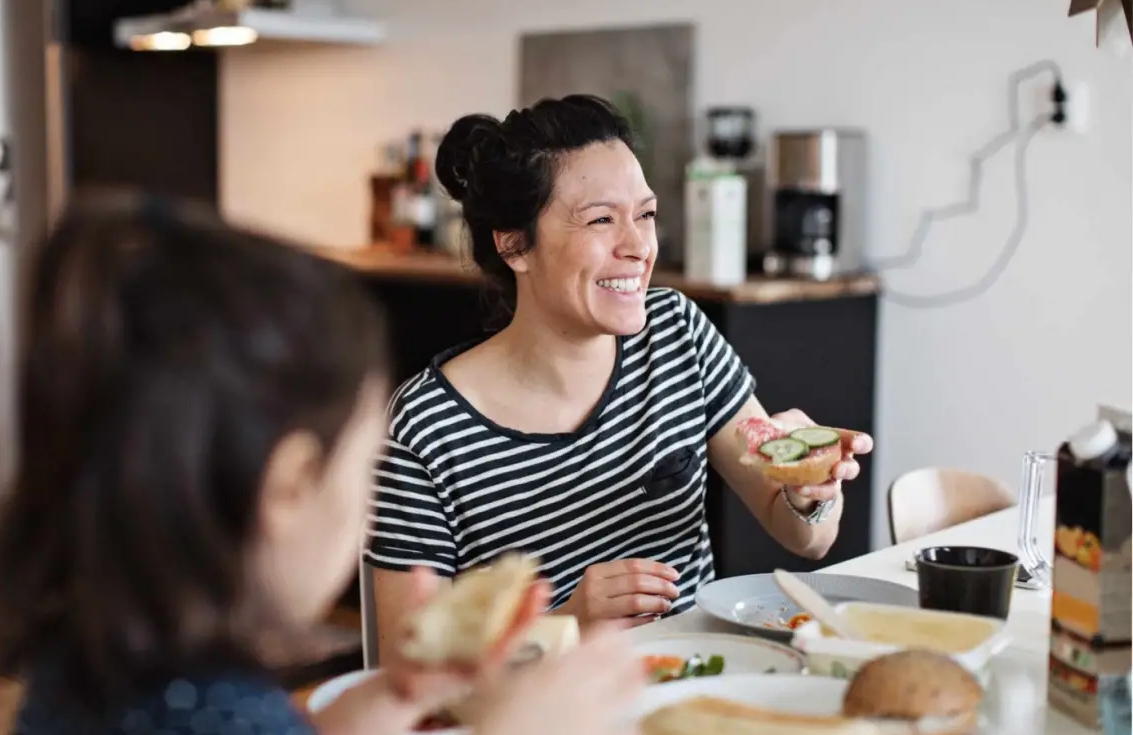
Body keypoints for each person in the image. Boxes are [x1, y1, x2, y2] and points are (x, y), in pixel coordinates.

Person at [0, 193, 644, 735]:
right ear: (291, 484)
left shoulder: (103, 671)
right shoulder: (217, 723)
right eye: (363, 471)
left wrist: (399, 695)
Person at [366, 95, 874, 664]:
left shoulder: (677, 334)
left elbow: (807, 539)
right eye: (602, 219)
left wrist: (811, 491)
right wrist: (569, 623)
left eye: (646, 214)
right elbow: (403, 668)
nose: (638, 247)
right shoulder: (424, 432)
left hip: (692, 689)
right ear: (513, 243)